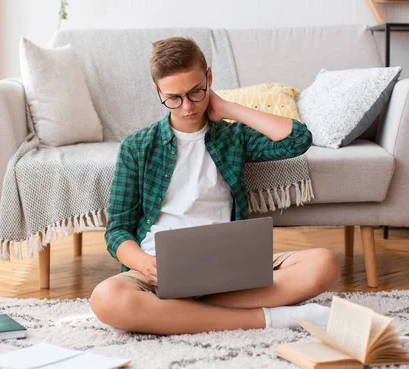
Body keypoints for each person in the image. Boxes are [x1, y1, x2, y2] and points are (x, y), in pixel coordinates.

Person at [90, 36, 341, 335]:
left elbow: (298, 139)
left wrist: (230, 108)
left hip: (228, 266)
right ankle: (271, 318)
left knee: (324, 264)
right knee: (106, 299)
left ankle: (180, 312)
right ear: (157, 90)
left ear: (209, 77)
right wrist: (145, 264)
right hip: (159, 271)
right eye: (173, 98)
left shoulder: (232, 137)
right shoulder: (138, 146)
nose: (187, 107)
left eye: (196, 92)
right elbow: (117, 231)